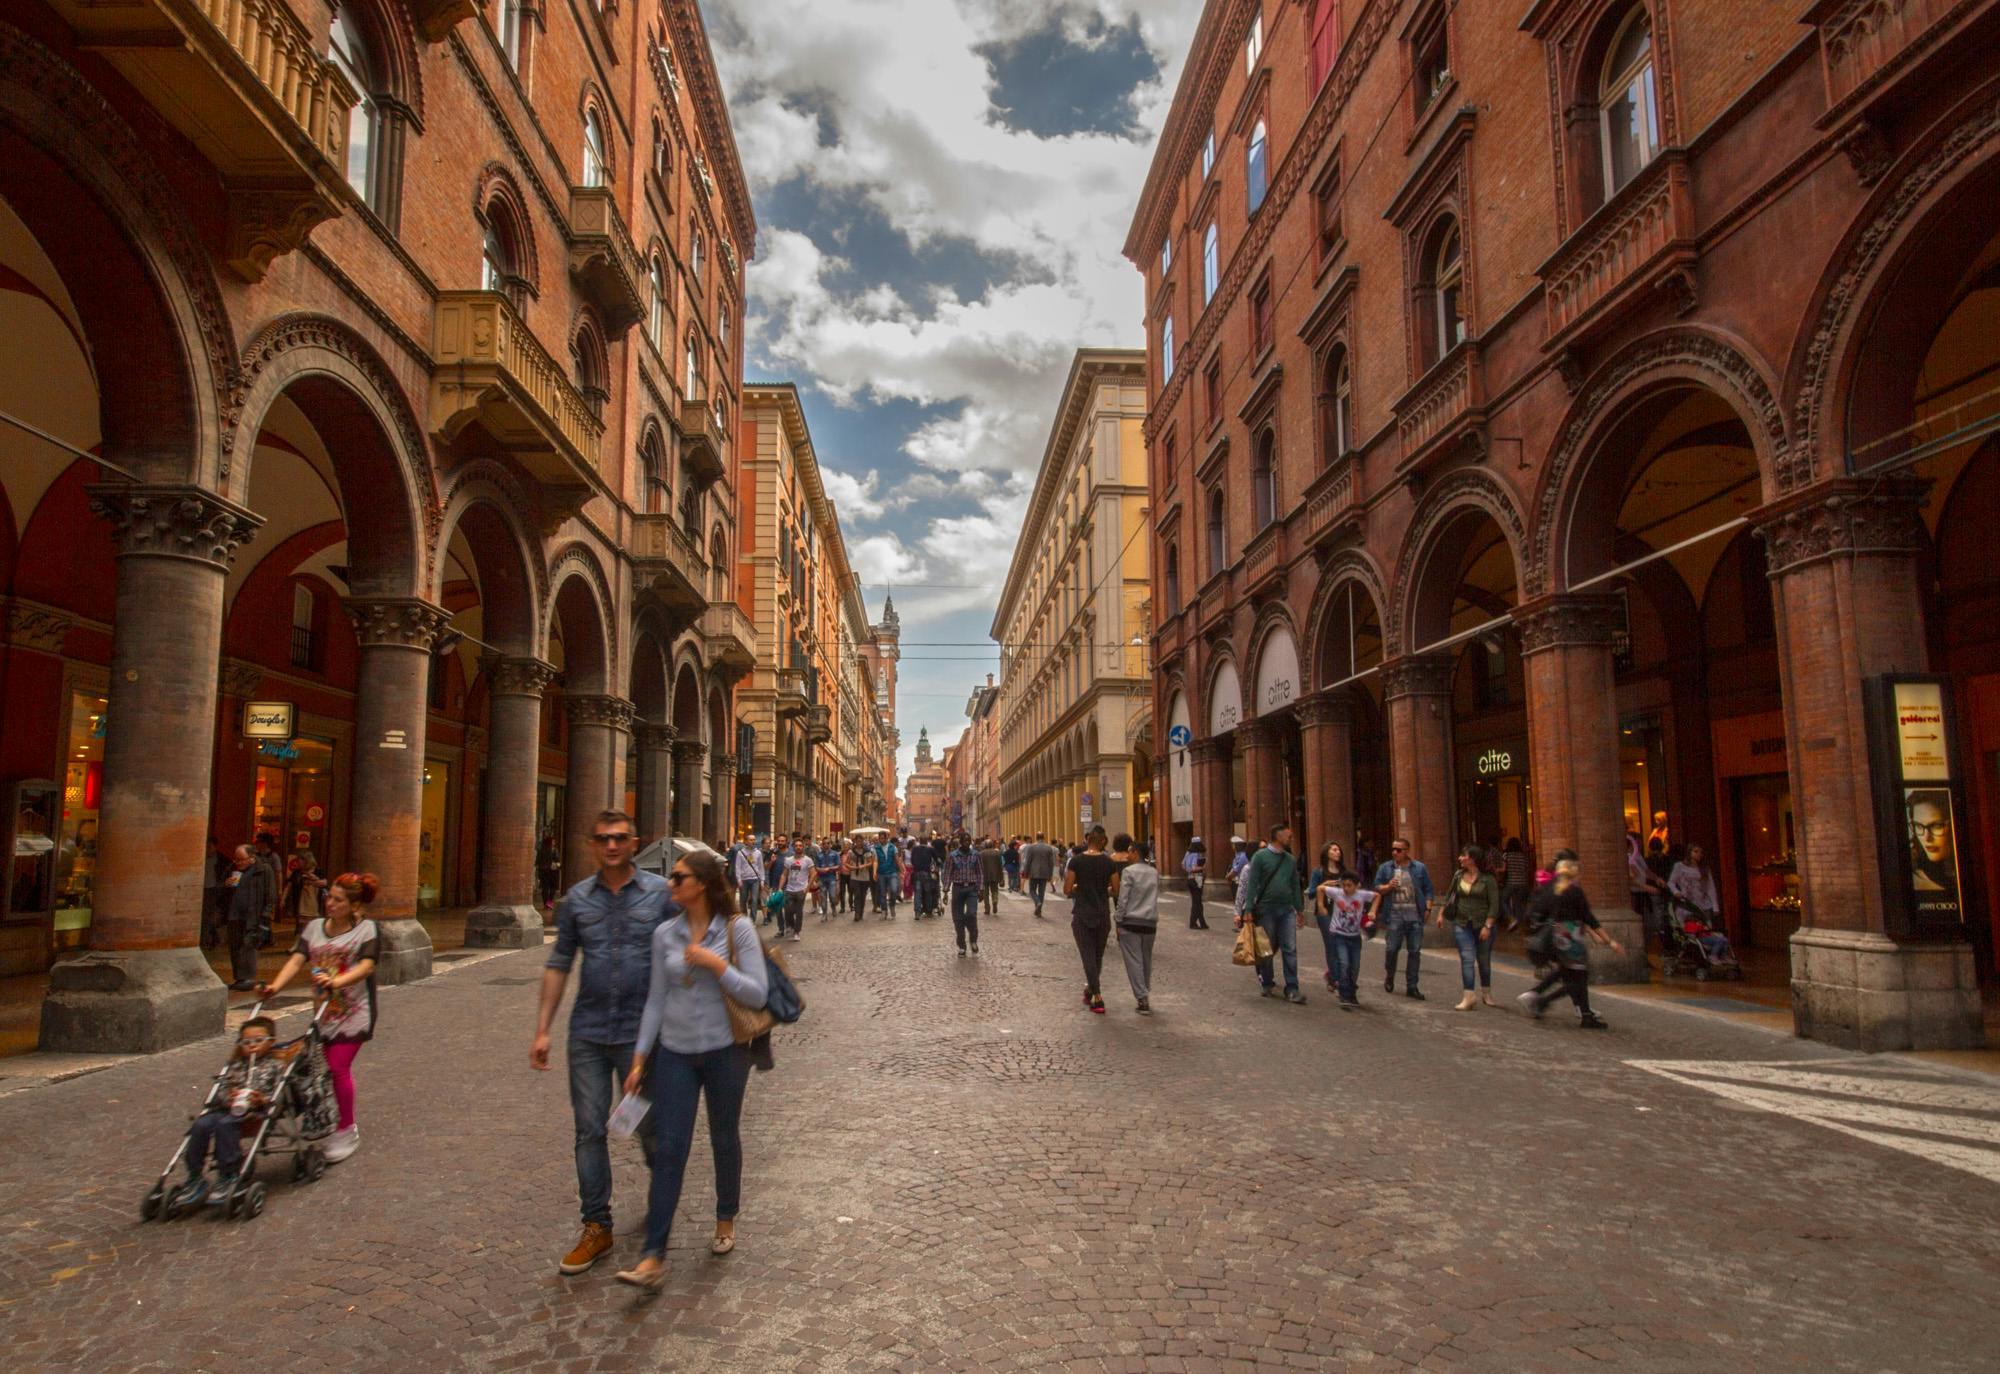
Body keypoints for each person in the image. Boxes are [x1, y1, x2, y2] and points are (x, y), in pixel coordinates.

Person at [615, 848, 767, 1290]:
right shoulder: (664, 934)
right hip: (676, 1054)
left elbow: (757, 995)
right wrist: (640, 1057)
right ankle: (653, 1256)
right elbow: (656, 999)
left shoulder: (737, 931)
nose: (670, 883)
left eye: (678, 877)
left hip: (725, 1053)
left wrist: (717, 965)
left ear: (701, 884)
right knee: (670, 1149)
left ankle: (725, 1217)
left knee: (723, 1135)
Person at [528, 810, 670, 1276]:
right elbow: (559, 963)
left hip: (640, 1035)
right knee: (588, 1131)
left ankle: (660, 1196)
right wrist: (543, 1028)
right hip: (588, 1033)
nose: (611, 845)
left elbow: (678, 958)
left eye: (619, 838)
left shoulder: (659, 896)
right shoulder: (575, 902)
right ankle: (596, 1225)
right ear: (593, 844)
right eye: (602, 839)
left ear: (635, 842)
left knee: (648, 1129)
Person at [258, 871, 380, 1162]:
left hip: (355, 1010)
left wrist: (336, 982)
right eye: (329, 897)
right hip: (323, 1012)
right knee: (319, 1068)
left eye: (338, 900)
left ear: (353, 905)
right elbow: (297, 959)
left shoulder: (367, 930)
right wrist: (275, 986)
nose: (330, 903)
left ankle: (346, 1128)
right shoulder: (313, 928)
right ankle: (323, 1117)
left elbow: (366, 967)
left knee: (338, 1066)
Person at [168, 1016, 286, 1211]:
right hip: (225, 1109)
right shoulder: (235, 1066)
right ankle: (195, 1174)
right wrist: (228, 1097)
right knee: (201, 1125)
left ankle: (228, 1173)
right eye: (247, 1042)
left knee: (225, 1125)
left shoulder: (275, 1066)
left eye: (258, 1041)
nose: (252, 1046)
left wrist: (262, 1099)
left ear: (271, 1042)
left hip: (254, 1112)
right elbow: (220, 1091)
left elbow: (280, 1095)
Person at [1519, 854, 1622, 1028]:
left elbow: (1541, 911)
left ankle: (1585, 1014)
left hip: (1558, 936)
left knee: (1570, 974)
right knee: (1578, 977)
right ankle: (1545, 1001)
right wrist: (1609, 941)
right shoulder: (1574, 891)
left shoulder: (1553, 889)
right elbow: (1588, 917)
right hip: (1572, 937)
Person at [1241, 823, 1306, 1004]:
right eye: (1288, 835)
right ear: (1278, 836)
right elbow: (1252, 884)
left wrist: (1299, 909)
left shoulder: (1290, 859)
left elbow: (1294, 886)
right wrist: (1247, 910)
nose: (1291, 837)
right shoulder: (1260, 857)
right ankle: (1267, 981)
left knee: (1290, 949)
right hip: (1266, 909)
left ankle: (1292, 988)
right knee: (1266, 949)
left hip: (1286, 910)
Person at [1437, 843, 1501, 1010]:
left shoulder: (1488, 879)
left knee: (1484, 960)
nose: (1460, 858)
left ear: (1472, 859)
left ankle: (1486, 992)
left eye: (1463, 855)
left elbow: (1494, 905)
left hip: (1483, 923)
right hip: (1462, 922)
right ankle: (1469, 996)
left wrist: (1488, 926)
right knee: (1467, 958)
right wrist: (1441, 913)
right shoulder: (1458, 875)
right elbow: (1450, 894)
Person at [1064, 827, 1119, 1014]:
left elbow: (1067, 888)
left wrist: (1080, 889)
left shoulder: (1076, 861)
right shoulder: (1109, 862)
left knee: (1087, 955)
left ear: (1088, 840)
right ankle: (1090, 990)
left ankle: (1097, 996)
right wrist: (1101, 891)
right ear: (1103, 841)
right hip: (1102, 914)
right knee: (1097, 956)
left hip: (1082, 915)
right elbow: (1116, 890)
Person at [1373, 838, 1433, 1000]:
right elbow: (1377, 887)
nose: (1395, 852)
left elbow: (1428, 889)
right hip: (1394, 916)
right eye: (1393, 849)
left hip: (1414, 916)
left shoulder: (1419, 868)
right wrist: (1388, 886)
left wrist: (1428, 907)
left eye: (1399, 850)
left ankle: (1412, 986)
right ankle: (1390, 975)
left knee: (1414, 951)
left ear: (1407, 851)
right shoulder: (1385, 868)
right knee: (1392, 949)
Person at [1315, 871, 1373, 1009]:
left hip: (1354, 936)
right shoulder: (1337, 893)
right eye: (1344, 885)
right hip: (1339, 935)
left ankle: (1352, 993)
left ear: (1357, 886)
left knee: (1355, 966)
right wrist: (1321, 905)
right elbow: (1320, 888)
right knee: (1344, 963)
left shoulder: (1362, 895)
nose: (1346, 888)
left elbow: (1377, 896)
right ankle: (1344, 994)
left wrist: (1373, 911)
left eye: (1350, 885)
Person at [1114, 840, 1161, 1014]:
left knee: (1134, 960)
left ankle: (1142, 997)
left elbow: (1123, 898)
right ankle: (1144, 990)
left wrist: (1118, 919)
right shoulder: (1153, 872)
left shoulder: (1128, 872)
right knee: (1146, 959)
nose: (1127, 855)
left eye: (1129, 852)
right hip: (1150, 922)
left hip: (1131, 921)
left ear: (1135, 852)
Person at [222, 843, 276, 991]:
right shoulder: (232, 870)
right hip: (234, 914)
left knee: (248, 946)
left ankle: (248, 978)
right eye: (236, 859)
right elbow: (221, 891)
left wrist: (265, 916)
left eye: (241, 859)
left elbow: (270, 895)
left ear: (251, 858)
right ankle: (239, 977)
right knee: (235, 946)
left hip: (253, 915)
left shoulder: (263, 870)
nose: (237, 862)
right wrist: (226, 885)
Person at [1306, 842, 1347, 993]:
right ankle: (1336, 980)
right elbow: (1311, 894)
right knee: (1331, 944)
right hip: (1325, 912)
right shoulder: (1319, 872)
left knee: (1342, 945)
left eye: (1339, 849)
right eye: (1334, 849)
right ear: (1327, 852)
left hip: (1342, 912)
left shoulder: (1344, 871)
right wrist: (1324, 885)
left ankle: (1332, 974)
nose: (1338, 852)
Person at [947, 833, 983, 957]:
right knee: (958, 919)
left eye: (969, 840)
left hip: (972, 889)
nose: (967, 842)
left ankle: (973, 939)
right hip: (957, 888)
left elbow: (980, 873)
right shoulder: (953, 856)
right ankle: (962, 946)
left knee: (971, 914)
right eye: (965, 840)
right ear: (960, 842)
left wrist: (981, 889)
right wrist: (946, 891)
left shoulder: (976, 855)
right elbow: (948, 873)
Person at [778, 841, 813, 941]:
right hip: (789, 889)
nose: (798, 847)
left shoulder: (808, 860)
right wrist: (780, 888)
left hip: (801, 890)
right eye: (796, 846)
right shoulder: (788, 860)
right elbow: (784, 874)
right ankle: (792, 926)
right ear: (793, 847)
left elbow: (813, 873)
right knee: (788, 910)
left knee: (798, 912)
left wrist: (808, 887)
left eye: (800, 845)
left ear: (803, 847)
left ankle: (797, 932)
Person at [201, 836, 231, 950]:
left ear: (215, 847)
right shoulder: (201, 858)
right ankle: (208, 939)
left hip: (214, 890)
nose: (207, 849)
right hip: (202, 889)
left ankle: (210, 939)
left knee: (211, 917)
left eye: (209, 846)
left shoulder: (222, 860)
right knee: (204, 916)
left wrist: (223, 886)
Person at [1020, 831, 1058, 918]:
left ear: (1036, 837)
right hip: (1045, 873)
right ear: (1043, 837)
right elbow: (1051, 863)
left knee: (1032, 890)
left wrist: (1025, 873)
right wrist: (1050, 874)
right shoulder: (1049, 848)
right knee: (1042, 892)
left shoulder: (1031, 847)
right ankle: (1039, 911)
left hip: (1033, 872)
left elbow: (1028, 861)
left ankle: (1037, 902)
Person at [1500, 837, 1532, 932]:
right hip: (1523, 883)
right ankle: (1520, 926)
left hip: (1512, 882)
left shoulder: (1506, 855)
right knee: (1519, 905)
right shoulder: (1523, 856)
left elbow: (1504, 869)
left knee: (1503, 900)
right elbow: (1528, 869)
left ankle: (1512, 919)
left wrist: (1495, 869)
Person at [730, 836, 766, 922]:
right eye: (751, 840)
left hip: (755, 879)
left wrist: (762, 880)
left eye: (754, 840)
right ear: (746, 841)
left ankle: (752, 919)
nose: (753, 841)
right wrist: (739, 879)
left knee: (754, 900)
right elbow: (737, 867)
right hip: (744, 879)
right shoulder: (740, 853)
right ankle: (744, 918)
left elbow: (761, 867)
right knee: (743, 900)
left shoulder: (758, 853)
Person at [906, 831, 938, 919]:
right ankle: (928, 911)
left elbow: (912, 860)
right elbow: (937, 859)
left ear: (919, 841)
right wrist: (938, 866)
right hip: (926, 873)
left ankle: (917, 912)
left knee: (917, 893)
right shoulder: (930, 849)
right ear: (926, 840)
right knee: (928, 892)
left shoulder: (915, 849)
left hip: (917, 873)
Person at [1180, 837, 1208, 929]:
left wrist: (1188, 870)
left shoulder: (1188, 853)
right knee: (1197, 902)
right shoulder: (1197, 855)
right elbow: (1194, 868)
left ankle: (1202, 922)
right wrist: (1203, 868)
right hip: (1197, 879)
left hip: (1190, 879)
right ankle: (1193, 923)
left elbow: (1183, 865)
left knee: (1196, 901)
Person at [846, 837, 877, 920]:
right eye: (857, 841)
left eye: (860, 841)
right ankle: (857, 913)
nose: (859, 843)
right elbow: (846, 863)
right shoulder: (851, 852)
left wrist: (864, 865)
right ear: (855, 842)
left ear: (862, 841)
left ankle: (861, 911)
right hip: (854, 877)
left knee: (863, 896)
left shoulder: (867, 851)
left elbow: (871, 862)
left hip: (865, 877)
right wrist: (852, 867)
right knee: (857, 895)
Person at [537, 829, 563, 912]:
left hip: (543, 871)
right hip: (552, 871)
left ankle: (545, 904)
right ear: (550, 842)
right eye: (553, 841)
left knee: (545, 888)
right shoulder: (554, 850)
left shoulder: (540, 850)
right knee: (552, 888)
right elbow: (558, 860)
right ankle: (549, 903)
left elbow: (537, 861)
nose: (554, 843)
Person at [814, 839, 840, 920]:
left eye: (828, 843)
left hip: (832, 878)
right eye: (824, 843)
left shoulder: (835, 854)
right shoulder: (819, 855)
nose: (826, 845)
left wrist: (829, 868)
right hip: (822, 879)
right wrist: (820, 870)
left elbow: (838, 866)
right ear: (822, 845)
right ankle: (824, 914)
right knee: (823, 897)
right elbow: (816, 867)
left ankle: (833, 907)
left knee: (832, 896)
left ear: (830, 844)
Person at [978, 838, 1004, 916]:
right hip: (995, 875)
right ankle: (995, 902)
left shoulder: (981, 854)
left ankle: (987, 909)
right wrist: (1001, 877)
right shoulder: (997, 853)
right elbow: (1000, 866)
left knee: (985, 893)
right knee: (994, 891)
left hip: (984, 875)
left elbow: (978, 866)